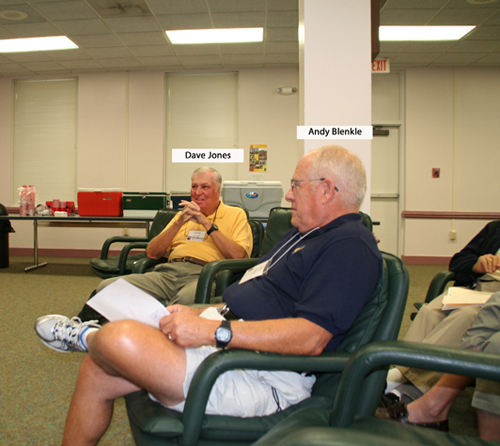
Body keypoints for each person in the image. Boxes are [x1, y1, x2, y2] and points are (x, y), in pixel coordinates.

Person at [34, 145, 382, 446]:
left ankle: (89, 335)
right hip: (232, 347)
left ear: (327, 190)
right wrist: (199, 314)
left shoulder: (348, 246)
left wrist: (214, 331)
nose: (289, 195)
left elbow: (311, 338)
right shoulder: (306, 235)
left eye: (295, 185)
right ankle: (95, 339)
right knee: (96, 369)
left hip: (262, 374)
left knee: (120, 337)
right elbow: (255, 298)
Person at [79, 166, 253, 322]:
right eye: (194, 186)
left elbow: (238, 256)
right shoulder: (181, 216)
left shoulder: (235, 214)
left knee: (183, 303)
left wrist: (206, 223)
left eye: (205, 187)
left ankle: (156, 336)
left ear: (218, 191)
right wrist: (179, 222)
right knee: (107, 287)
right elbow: (152, 253)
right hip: (167, 273)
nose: (197, 192)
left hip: (204, 275)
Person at [387, 221, 500, 401]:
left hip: (496, 301)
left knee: (466, 316)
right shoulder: (495, 229)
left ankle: (401, 382)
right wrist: (475, 265)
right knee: (430, 311)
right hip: (475, 289)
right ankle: (400, 377)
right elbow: (458, 261)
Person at [377, 291, 500, 440]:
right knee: (429, 311)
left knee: (477, 326)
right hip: (479, 289)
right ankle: (401, 385)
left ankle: (405, 390)